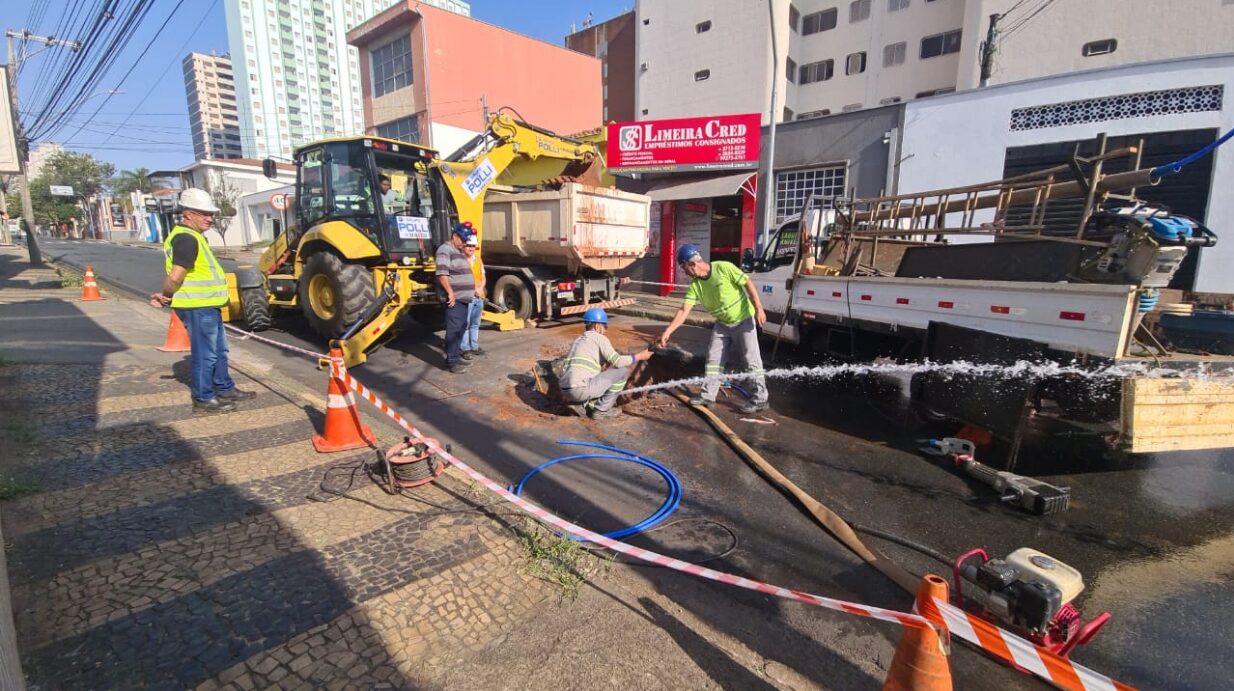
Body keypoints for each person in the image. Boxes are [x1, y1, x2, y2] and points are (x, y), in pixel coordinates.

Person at [149, 188, 256, 415]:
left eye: (211, 214)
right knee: (205, 354)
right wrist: (166, 295)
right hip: (197, 307)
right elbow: (176, 275)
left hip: (207, 306)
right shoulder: (186, 238)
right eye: (203, 213)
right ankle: (203, 398)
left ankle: (224, 388)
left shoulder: (194, 236)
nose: (210, 218)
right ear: (188, 214)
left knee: (219, 350)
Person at [657, 243, 770, 414]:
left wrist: (759, 307)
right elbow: (683, 311)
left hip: (744, 320)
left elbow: (747, 282)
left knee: (750, 359)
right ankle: (708, 396)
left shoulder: (723, 268)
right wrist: (667, 332)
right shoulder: (696, 285)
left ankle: (760, 399)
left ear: (692, 264)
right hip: (722, 324)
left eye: (683, 267)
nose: (684, 272)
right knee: (713, 359)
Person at [560, 307, 652, 420]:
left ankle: (580, 405)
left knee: (598, 376)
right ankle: (601, 410)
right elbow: (617, 362)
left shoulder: (579, 340)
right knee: (622, 372)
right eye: (605, 326)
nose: (606, 330)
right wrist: (640, 356)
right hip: (580, 389)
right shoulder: (599, 338)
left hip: (565, 391)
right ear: (597, 326)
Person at [435, 223, 476, 373]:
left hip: (463, 299)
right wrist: (450, 292)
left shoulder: (457, 251)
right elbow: (442, 273)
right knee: (454, 329)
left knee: (460, 328)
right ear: (455, 236)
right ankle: (452, 362)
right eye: (463, 239)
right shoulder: (445, 250)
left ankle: (456, 357)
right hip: (455, 299)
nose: (465, 243)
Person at [460, 230, 486, 360]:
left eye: (472, 246)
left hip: (478, 297)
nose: (470, 248)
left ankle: (474, 346)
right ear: (463, 247)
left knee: (475, 324)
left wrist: (480, 288)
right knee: (465, 324)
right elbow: (461, 279)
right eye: (468, 246)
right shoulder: (460, 261)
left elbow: (483, 276)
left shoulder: (478, 260)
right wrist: (474, 288)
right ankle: (465, 349)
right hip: (467, 297)